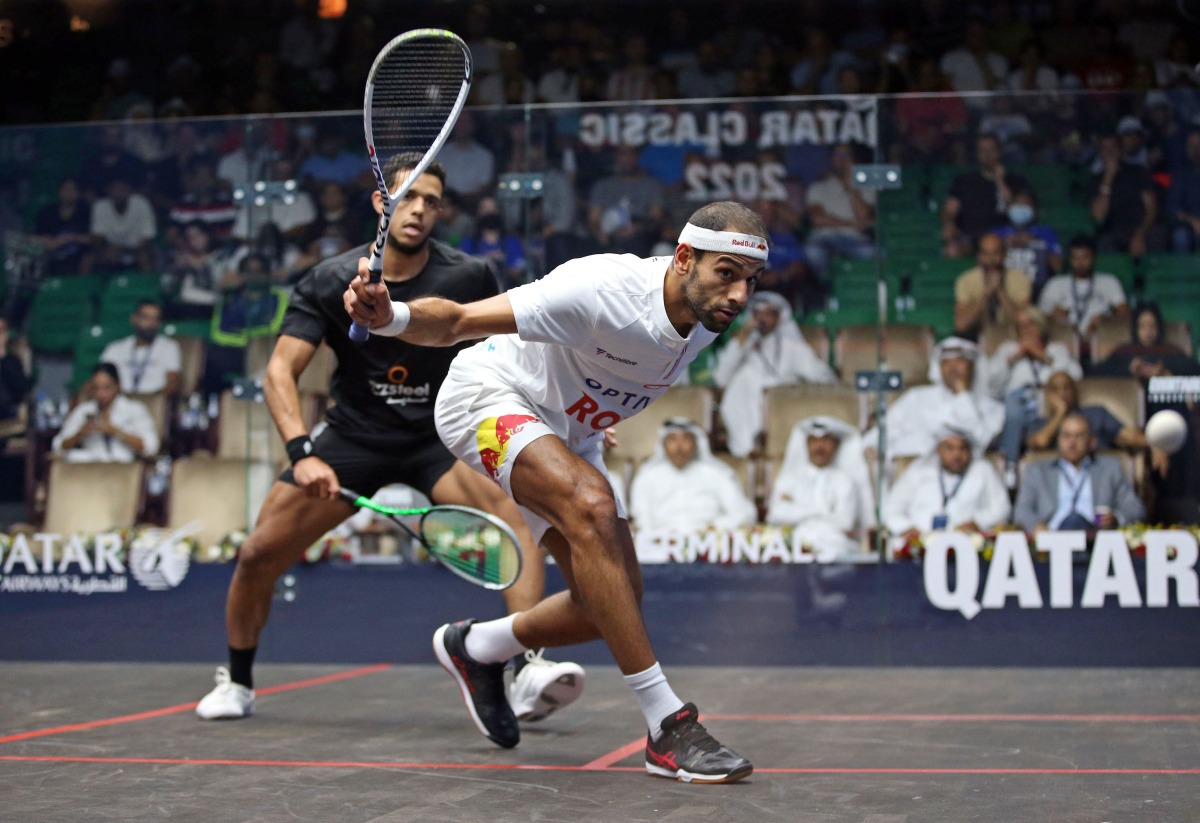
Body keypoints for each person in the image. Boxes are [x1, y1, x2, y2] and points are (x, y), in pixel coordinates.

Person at [345, 199, 767, 783]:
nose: (740, 296)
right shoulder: (602, 289)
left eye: (750, 281)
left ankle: (479, 647)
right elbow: (458, 322)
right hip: (484, 399)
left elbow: (601, 372)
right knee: (590, 503)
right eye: (727, 275)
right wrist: (388, 316)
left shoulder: (704, 320)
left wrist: (587, 415)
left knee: (611, 605)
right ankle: (667, 726)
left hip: (566, 431)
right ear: (684, 258)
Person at [195, 154, 585, 729]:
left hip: (440, 434)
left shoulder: (468, 275)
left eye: (432, 201)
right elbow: (280, 373)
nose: (421, 209)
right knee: (257, 555)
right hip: (354, 437)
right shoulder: (330, 280)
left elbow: (513, 353)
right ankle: (238, 680)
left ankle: (528, 668)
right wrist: (302, 455)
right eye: (409, 197)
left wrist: (568, 418)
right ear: (382, 203)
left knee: (512, 519)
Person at [712, 291, 836, 458]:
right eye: (758, 314)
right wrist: (742, 339)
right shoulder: (744, 344)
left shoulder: (793, 346)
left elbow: (824, 378)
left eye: (769, 314)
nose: (763, 319)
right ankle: (748, 448)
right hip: (747, 405)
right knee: (747, 376)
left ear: (779, 317)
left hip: (783, 405)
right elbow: (721, 378)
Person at [864, 336, 1005, 463]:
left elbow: (980, 443)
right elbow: (882, 433)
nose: (953, 368)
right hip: (913, 471)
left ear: (973, 366)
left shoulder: (992, 407)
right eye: (946, 363)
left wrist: (962, 397)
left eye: (960, 361)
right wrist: (875, 447)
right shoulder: (916, 397)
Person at [882, 423, 1011, 551]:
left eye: (963, 448)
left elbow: (1002, 508)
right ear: (938, 449)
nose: (957, 455)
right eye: (950, 448)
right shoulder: (919, 470)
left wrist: (977, 522)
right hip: (918, 546)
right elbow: (890, 509)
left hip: (967, 548)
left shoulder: (982, 470)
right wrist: (907, 528)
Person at [1012, 411, 1145, 532]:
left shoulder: (1110, 468)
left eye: (1079, 436)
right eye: (1066, 436)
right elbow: (1022, 511)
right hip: (1053, 539)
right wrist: (1036, 526)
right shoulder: (1038, 471)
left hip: (1095, 539)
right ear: (1058, 440)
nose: (1072, 442)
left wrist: (1116, 518)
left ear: (1092, 442)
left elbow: (1135, 508)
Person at [765, 415, 871, 561]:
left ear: (836, 445)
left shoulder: (845, 482)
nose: (819, 447)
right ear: (807, 445)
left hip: (835, 548)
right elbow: (776, 515)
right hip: (793, 549)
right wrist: (822, 511)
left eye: (826, 441)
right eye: (814, 441)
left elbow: (845, 522)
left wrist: (796, 507)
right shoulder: (788, 479)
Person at [988, 307, 1082, 471]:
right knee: (1013, 406)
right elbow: (991, 384)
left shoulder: (1056, 350)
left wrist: (1042, 356)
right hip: (1014, 403)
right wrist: (1014, 358)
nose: (1025, 330)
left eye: (1030, 324)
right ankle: (1011, 465)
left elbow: (1075, 376)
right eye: (1021, 326)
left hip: (1045, 403)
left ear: (1040, 326)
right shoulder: (1008, 349)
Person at [627, 418, 757, 534]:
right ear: (663, 445)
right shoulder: (647, 477)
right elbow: (642, 520)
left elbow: (744, 513)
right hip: (660, 547)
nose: (679, 447)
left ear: (696, 444)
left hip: (707, 545)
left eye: (685, 440)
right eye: (672, 440)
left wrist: (714, 528)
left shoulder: (717, 474)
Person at [940, 134, 1029, 258]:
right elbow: (949, 210)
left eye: (991, 149)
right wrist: (949, 224)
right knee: (951, 251)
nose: (988, 155)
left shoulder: (1015, 180)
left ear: (999, 152)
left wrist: (1000, 182)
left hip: (1005, 238)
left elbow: (1020, 214)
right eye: (983, 150)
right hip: (971, 236)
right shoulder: (964, 180)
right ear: (977, 154)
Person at [52, 362, 159, 463]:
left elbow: (151, 447)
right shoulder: (84, 410)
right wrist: (79, 434)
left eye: (106, 388)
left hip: (124, 467)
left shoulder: (134, 409)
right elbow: (58, 446)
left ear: (117, 386)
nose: (101, 394)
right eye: (96, 388)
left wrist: (115, 431)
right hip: (88, 467)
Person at [802, 142, 876, 285]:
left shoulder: (868, 187)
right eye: (838, 155)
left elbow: (864, 217)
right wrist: (852, 224)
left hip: (855, 239)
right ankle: (828, 289)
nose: (842, 160)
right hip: (825, 238)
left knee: (872, 253)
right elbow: (818, 219)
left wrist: (852, 188)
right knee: (812, 251)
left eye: (846, 155)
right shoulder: (819, 186)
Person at [1036, 234, 1128, 344]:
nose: (1080, 263)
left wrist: (1105, 321)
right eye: (1075, 258)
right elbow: (1039, 319)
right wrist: (1054, 318)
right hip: (1064, 338)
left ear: (1094, 258)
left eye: (1085, 257)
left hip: (1100, 337)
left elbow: (1125, 314)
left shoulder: (1109, 281)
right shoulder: (1055, 283)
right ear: (1070, 259)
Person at [953, 232, 1032, 341]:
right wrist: (986, 294)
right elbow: (961, 325)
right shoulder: (966, 280)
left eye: (995, 254)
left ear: (1004, 254)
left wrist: (1000, 290)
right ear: (978, 256)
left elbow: (1023, 322)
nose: (990, 259)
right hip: (977, 338)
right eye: (985, 254)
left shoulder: (1020, 279)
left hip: (1012, 338)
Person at [98, 300, 182, 397]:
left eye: (155, 319)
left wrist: (152, 400)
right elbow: (99, 378)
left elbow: (173, 382)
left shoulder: (169, 347)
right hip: (118, 403)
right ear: (134, 319)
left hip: (153, 402)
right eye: (146, 318)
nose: (151, 323)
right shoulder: (115, 349)